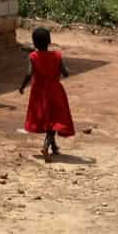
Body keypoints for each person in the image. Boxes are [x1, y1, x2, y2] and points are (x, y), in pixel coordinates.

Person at [19, 27, 75, 160]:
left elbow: (29, 73)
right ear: (49, 41)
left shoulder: (33, 56)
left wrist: (22, 86)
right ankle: (47, 145)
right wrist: (66, 70)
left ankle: (52, 146)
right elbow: (65, 73)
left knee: (47, 119)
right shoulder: (57, 56)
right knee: (54, 119)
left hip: (38, 92)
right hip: (55, 91)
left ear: (34, 42)